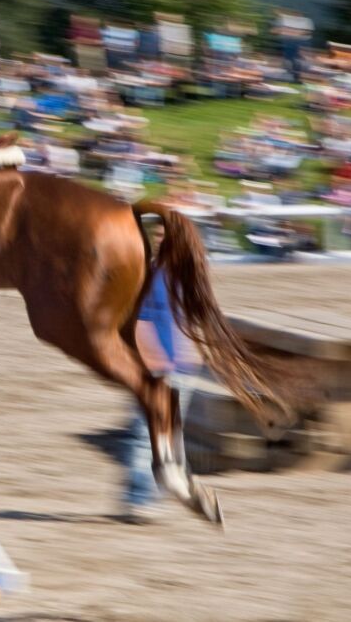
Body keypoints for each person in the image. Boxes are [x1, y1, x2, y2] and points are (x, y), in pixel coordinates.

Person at [122, 224, 201, 523]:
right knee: (145, 435)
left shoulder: (184, 276)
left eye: (163, 237)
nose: (158, 241)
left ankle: (142, 495)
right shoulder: (148, 274)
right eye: (156, 236)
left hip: (179, 367)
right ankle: (139, 497)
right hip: (155, 366)